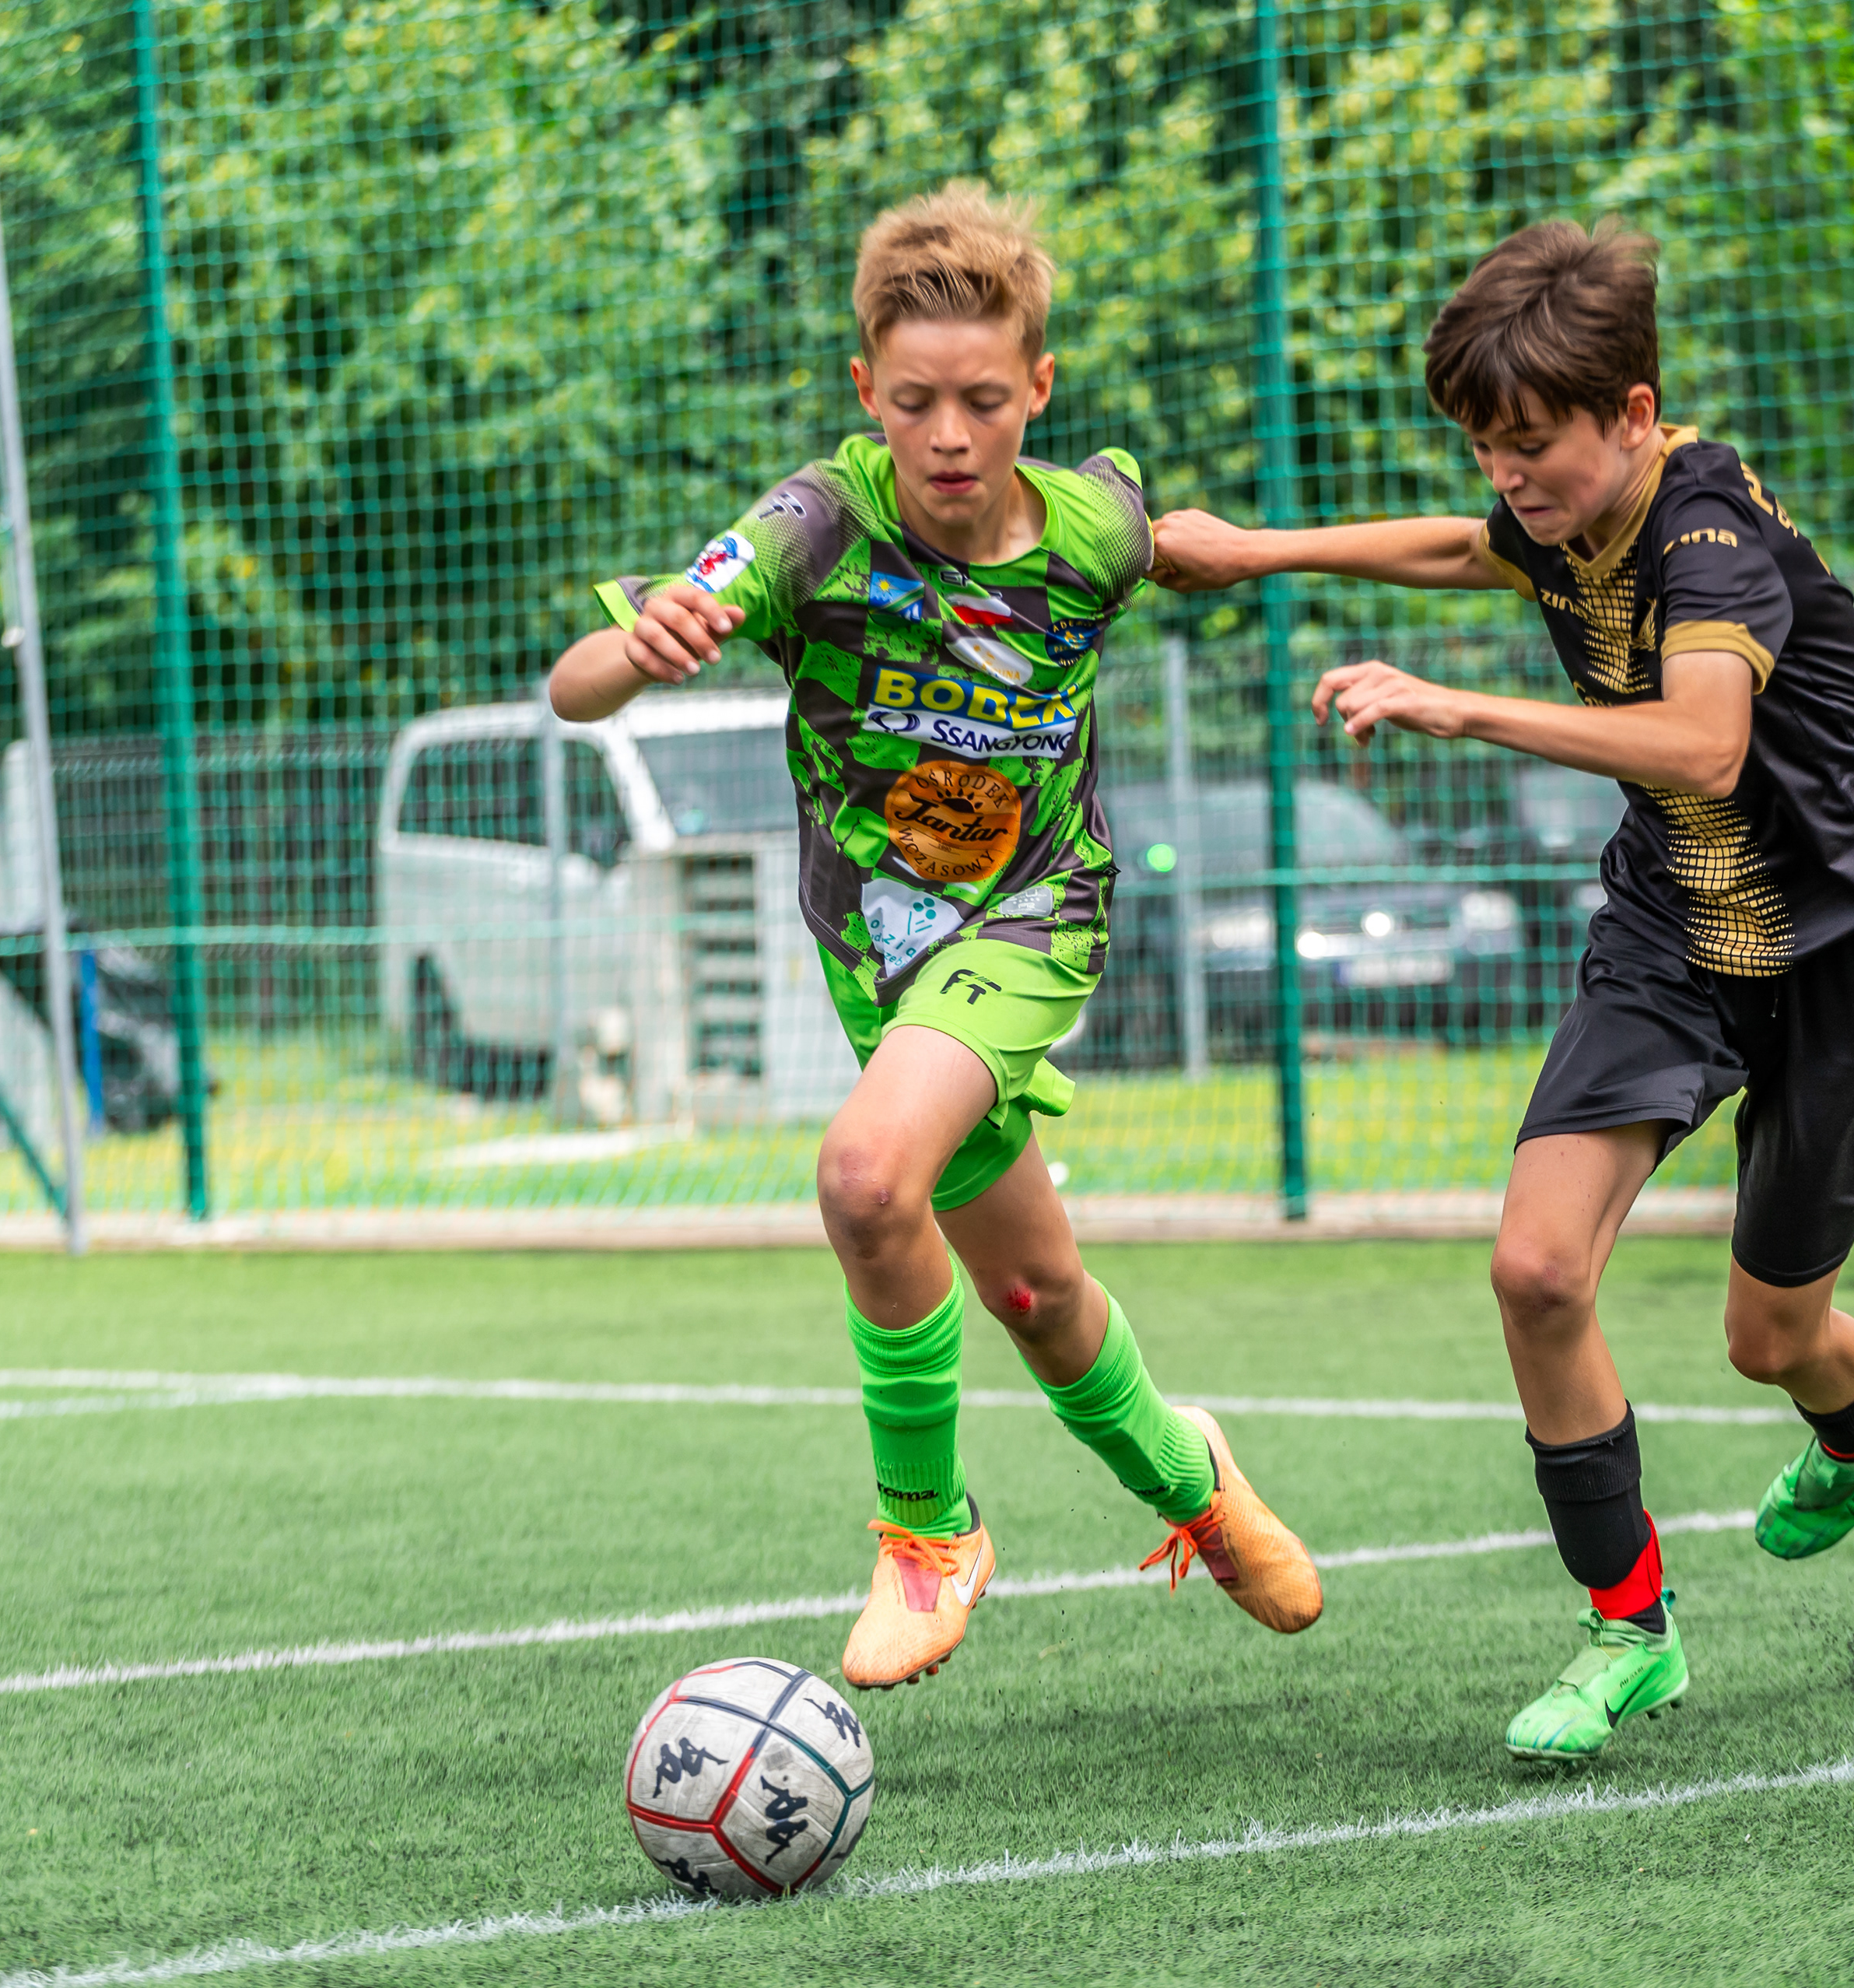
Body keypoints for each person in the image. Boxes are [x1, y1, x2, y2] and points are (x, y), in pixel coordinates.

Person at [1149, 219, 1854, 1761]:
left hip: (1843, 947)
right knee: (1535, 1272)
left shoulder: (1705, 531)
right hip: (1674, 928)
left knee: (1772, 1338)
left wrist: (1453, 705)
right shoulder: (1560, 513)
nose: (1509, 477)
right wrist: (1258, 551)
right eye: (1487, 447)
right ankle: (1629, 1631)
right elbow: (1469, 549)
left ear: (1634, 415)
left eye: (1534, 446)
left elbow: (1704, 741)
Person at [550, 182, 1320, 1692]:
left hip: (1036, 918)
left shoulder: (1092, 528)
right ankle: (1193, 1478)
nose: (951, 436)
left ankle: (929, 1534)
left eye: (984, 400)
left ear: (1040, 386)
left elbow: (1177, 542)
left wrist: (1320, 556)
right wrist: (638, 648)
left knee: (861, 1176)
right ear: (867, 392)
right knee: (1036, 1300)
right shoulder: (808, 530)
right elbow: (579, 687)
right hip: (883, 963)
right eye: (914, 404)